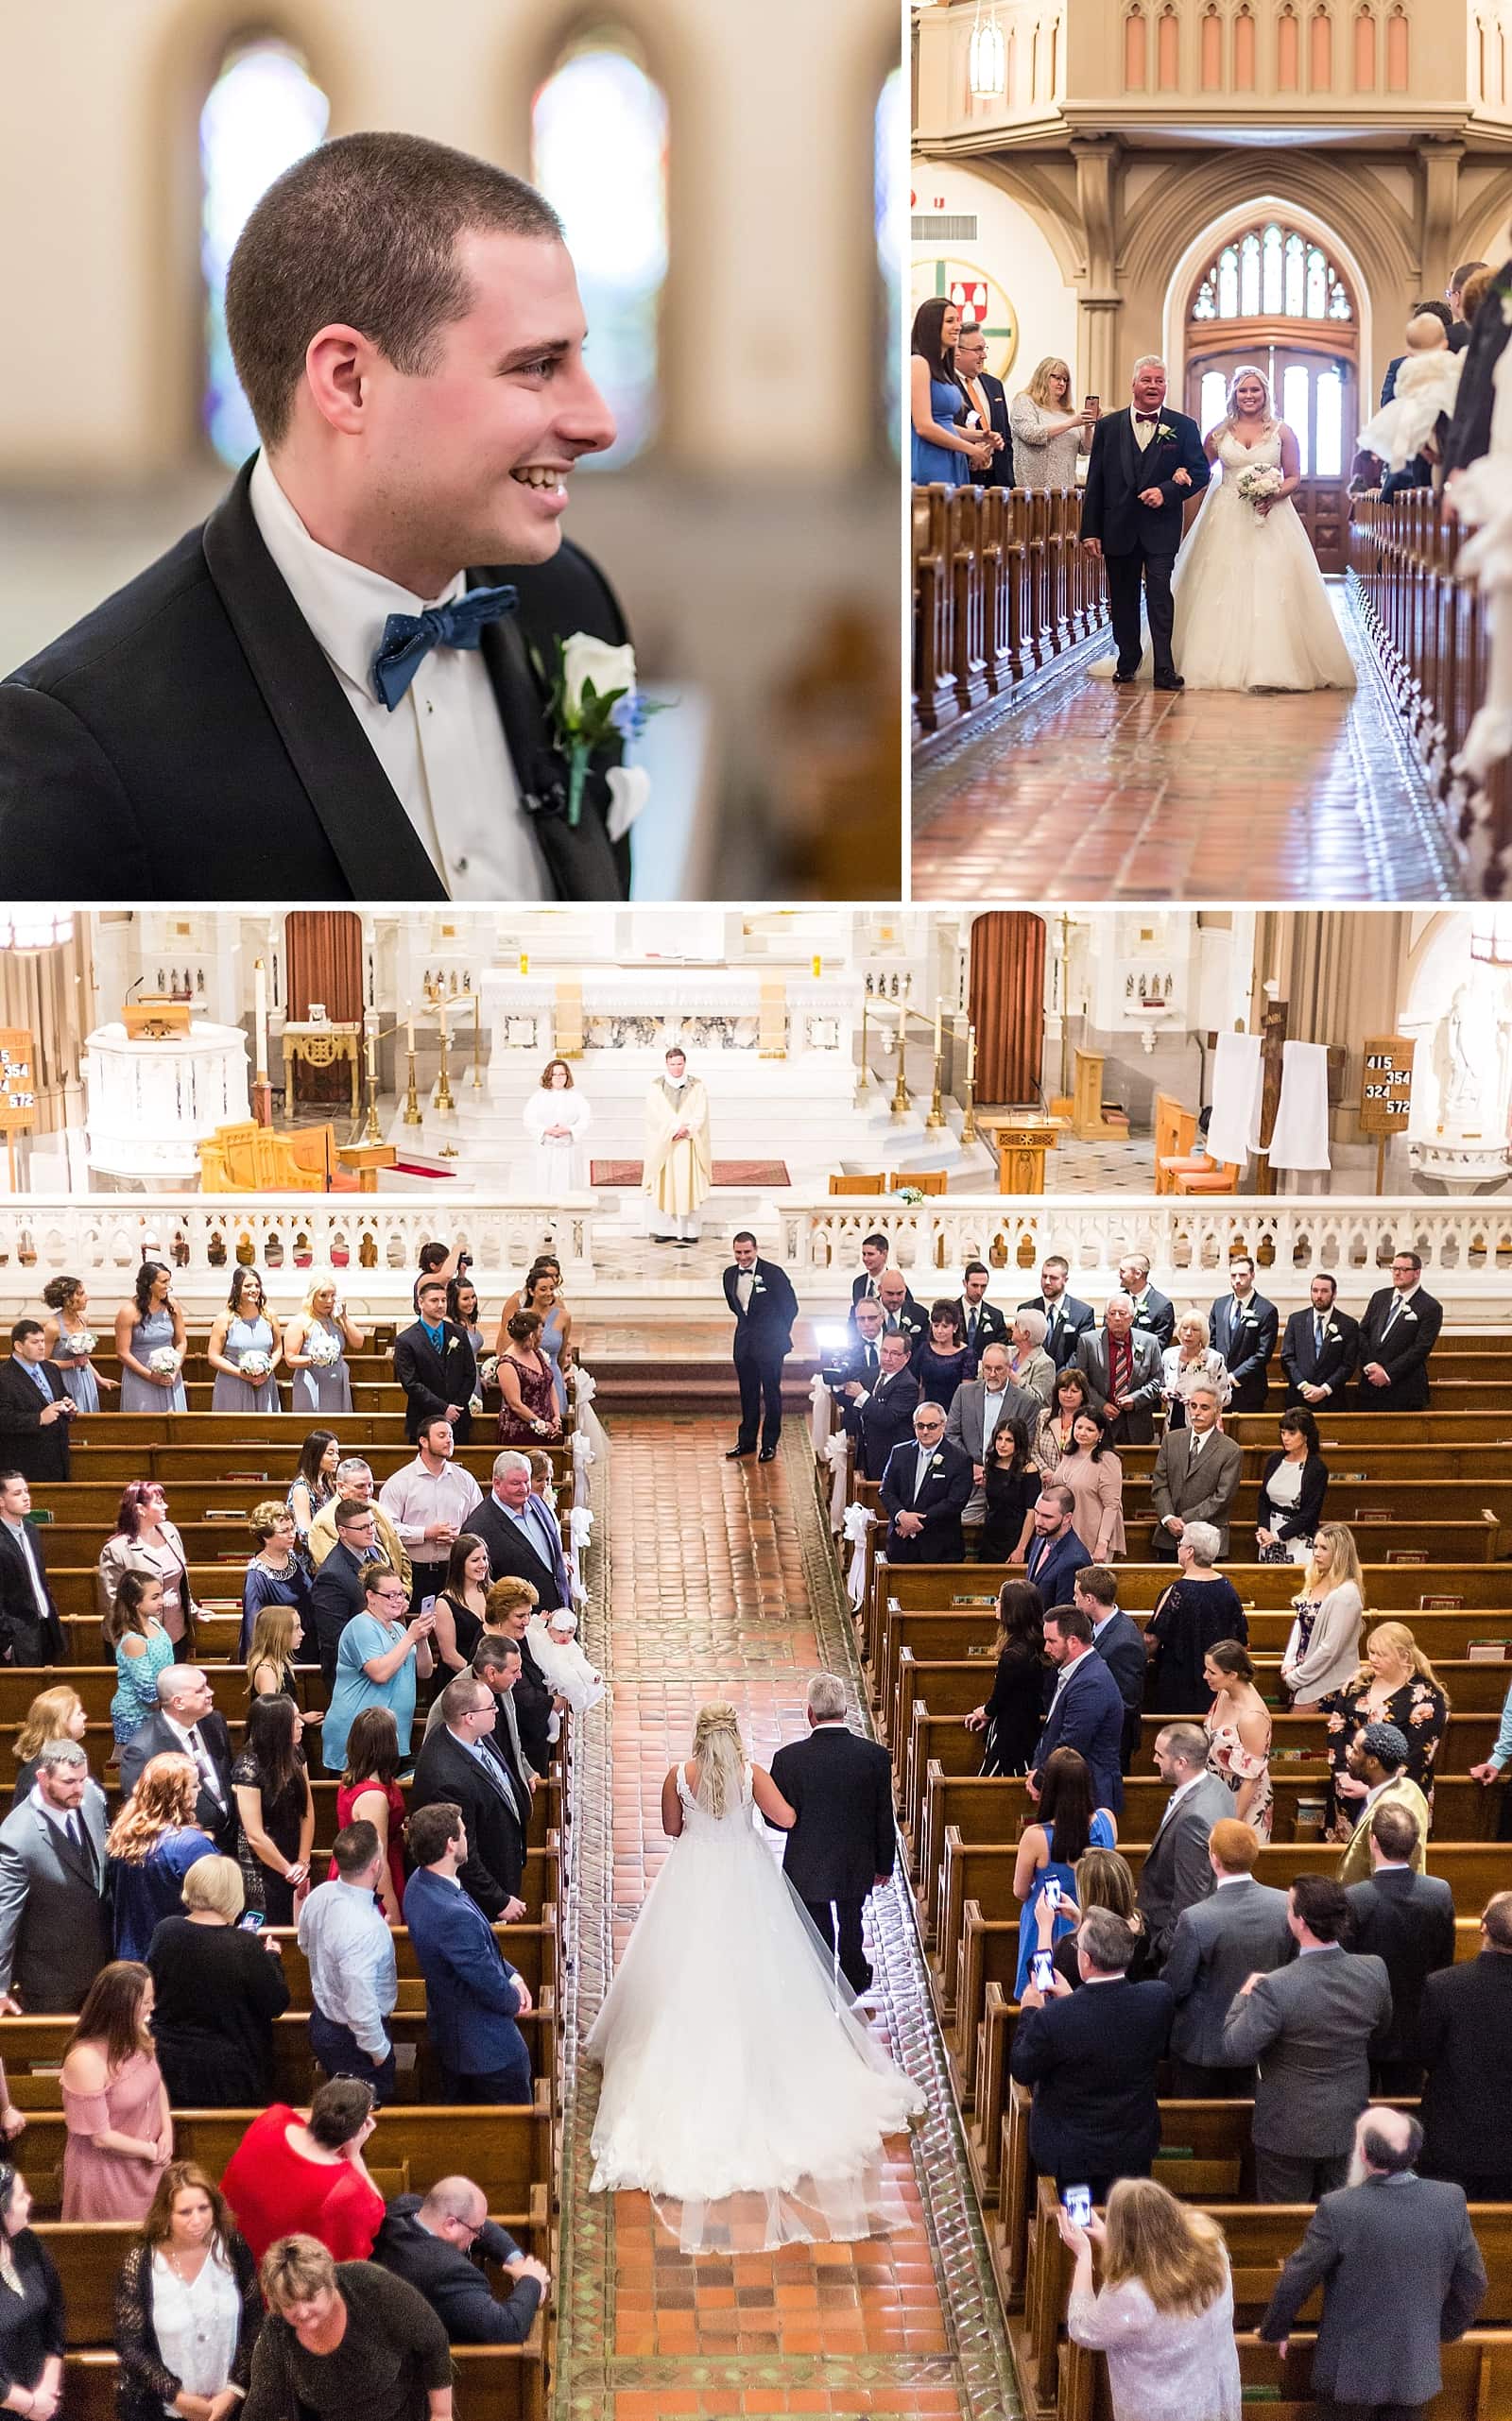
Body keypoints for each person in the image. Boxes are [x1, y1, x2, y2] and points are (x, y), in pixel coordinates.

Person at [0, 130, 636, 906]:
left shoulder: (569, 605)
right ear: (349, 382)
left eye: (579, 358)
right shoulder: (86, 743)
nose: (598, 421)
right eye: (537, 366)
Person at [586, 1702, 924, 2254]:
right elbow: (787, 1820)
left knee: (686, 1967)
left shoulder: (678, 1774)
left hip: (694, 1876)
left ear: (698, 1736)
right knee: (762, 1966)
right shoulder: (752, 1773)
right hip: (746, 1875)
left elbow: (671, 1828)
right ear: (736, 1736)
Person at [1134, 364, 1355, 692]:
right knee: (1219, 581)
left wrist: (1273, 493)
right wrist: (1177, 475)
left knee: (1271, 582)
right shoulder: (1220, 433)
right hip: (1225, 513)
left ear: (1265, 393)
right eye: (1243, 390)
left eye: (1255, 390)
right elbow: (1198, 467)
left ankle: (1273, 666)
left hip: (1273, 517)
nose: (1249, 396)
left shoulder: (1282, 432)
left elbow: (1294, 475)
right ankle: (1207, 662)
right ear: (1234, 395)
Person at [1257, 2108, 1486, 2416]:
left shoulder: (1339, 2207)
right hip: (1414, 2370)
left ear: (1363, 2154)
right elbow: (1473, 2281)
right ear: (1416, 2153)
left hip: (1348, 2377)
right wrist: (1442, 2330)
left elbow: (1299, 2275)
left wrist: (1275, 2330)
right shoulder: (1450, 2200)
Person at [1219, 1873, 1392, 2202]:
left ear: (1300, 1922)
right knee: (1339, 2225)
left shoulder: (1274, 1987)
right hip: (1346, 2122)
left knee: (1285, 2232)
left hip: (1287, 2132)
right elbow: (1381, 2029)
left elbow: (1233, 2048)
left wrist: (1244, 1995)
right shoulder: (1374, 1971)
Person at [1009, 1908, 1175, 2202]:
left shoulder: (1056, 2019)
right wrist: (1072, 1999)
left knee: (1080, 2229)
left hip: (1074, 2157)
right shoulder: (1158, 1998)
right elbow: (1106, 2024)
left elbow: (1022, 2067)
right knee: (1125, 2226)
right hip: (1131, 2147)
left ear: (1085, 1959)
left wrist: (1030, 2011)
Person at [1080, 354, 1212, 691]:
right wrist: (1090, 531)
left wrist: (1167, 492)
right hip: (1118, 526)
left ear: (1165, 386)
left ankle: (1164, 667)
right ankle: (1128, 660)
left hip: (1160, 527)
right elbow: (1095, 481)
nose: (1153, 386)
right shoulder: (1108, 427)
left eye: (1159, 381)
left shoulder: (1182, 427)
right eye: (1147, 380)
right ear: (1133, 385)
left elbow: (1199, 472)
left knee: (1159, 595)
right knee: (1122, 598)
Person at [1059, 2177, 1240, 2421]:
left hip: (1163, 2407)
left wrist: (1084, 2255)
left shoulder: (1131, 2294)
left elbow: (1083, 2328)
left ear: (1124, 2237)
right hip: (1210, 2390)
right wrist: (1109, 2241)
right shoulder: (1212, 2248)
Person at [767, 1674, 896, 1997]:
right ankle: (853, 1976)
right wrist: (885, 1864)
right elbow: (884, 1816)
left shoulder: (788, 1760)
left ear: (810, 1713)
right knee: (852, 1921)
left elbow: (776, 1822)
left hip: (807, 1864)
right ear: (845, 1709)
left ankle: (820, 1984)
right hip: (856, 1862)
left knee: (817, 1927)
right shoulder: (874, 1757)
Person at [401, 1801, 533, 2103]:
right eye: (463, 1833)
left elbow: (478, 1952)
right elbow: (485, 1980)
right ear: (450, 1845)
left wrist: (513, 1975)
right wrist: (513, 1998)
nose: (467, 1838)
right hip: (485, 2050)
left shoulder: (420, 1883)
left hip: (454, 2033)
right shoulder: (451, 1915)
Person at [241, 2237, 452, 2421]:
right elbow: (261, 2406)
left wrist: (441, 2414)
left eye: (309, 2298)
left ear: (330, 2283)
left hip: (404, 2410)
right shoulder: (277, 2331)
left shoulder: (369, 2285)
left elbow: (432, 2339)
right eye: (289, 2304)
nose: (302, 2312)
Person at [114, 2161, 263, 2421]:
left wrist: (232, 2392)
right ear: (165, 2215)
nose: (197, 2220)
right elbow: (131, 2346)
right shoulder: (141, 2262)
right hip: (165, 2409)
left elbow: (255, 2322)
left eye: (203, 2208)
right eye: (185, 2212)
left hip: (230, 2404)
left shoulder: (233, 2246)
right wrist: (178, 2398)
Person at [146, 1854, 291, 2107]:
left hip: (170, 2067)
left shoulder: (166, 1931)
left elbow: (154, 1988)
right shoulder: (244, 1945)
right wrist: (272, 1959)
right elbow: (276, 2003)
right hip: (230, 2074)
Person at [1162, 1817, 1293, 2096]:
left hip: (1203, 2051)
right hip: (1262, 2040)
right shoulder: (1284, 1906)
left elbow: (1176, 1985)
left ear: (1214, 1859)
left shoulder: (1196, 1918)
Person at [1346, 1802, 1455, 2095]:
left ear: (1373, 1841)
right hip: (1415, 2026)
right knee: (1403, 2116)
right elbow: (1444, 1963)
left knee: (1360, 2115)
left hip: (1364, 2027)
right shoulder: (1439, 1893)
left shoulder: (1356, 1899)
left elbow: (1345, 1969)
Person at [0, 1738, 111, 2013]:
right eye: (68, 1782)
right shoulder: (16, 1837)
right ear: (41, 1776)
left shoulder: (90, 1803)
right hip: (51, 1979)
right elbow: (5, 1915)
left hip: (102, 1966)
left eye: (83, 1779)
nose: (79, 1790)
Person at [219, 2083, 385, 2264]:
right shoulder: (346, 2187)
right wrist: (354, 2155)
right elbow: (376, 2212)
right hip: (277, 2276)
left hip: (229, 2250)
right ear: (358, 2130)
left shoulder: (272, 2118)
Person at [374, 2176, 549, 2344]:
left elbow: (481, 2226)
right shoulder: (446, 2273)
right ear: (450, 2225)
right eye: (475, 2231)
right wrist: (531, 2280)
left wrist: (516, 2262)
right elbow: (508, 2330)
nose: (478, 2235)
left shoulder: (405, 2208)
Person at [60, 1960, 171, 2221]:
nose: (152, 2008)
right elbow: (100, 2137)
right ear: (123, 2007)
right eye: (146, 2001)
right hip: (107, 2174)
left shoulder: (139, 2032)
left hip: (148, 2163)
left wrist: (166, 2130)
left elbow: (157, 2083)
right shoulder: (85, 2060)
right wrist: (149, 2151)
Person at [1418, 1888, 1512, 2199]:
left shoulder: (1443, 1985)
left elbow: (1425, 2054)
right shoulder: (1443, 1986)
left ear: (1482, 1926)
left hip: (1452, 2138)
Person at [409, 1674, 527, 1921]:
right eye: (491, 1706)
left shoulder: (475, 1734)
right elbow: (465, 1855)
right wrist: (498, 1900)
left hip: (506, 1860)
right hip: (484, 1895)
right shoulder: (449, 1780)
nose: (496, 1710)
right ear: (469, 1718)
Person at [298, 1824, 400, 2101]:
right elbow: (360, 2004)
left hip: (324, 2022)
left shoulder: (320, 1895)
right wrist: (378, 2050)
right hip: (354, 2042)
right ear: (375, 1866)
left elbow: (304, 1945)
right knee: (363, 2117)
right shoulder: (367, 1928)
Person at [1012, 1745, 1116, 1997]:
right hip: (1092, 1916)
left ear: (1050, 1790)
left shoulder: (1036, 1837)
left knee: (1042, 1990)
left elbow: (1020, 1891)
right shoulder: (1107, 1820)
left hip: (1046, 1923)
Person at [1323, 1619, 1451, 1813]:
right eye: (1372, 1652)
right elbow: (1337, 1727)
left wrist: (1372, 1790)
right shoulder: (1358, 1682)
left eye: (1381, 1655)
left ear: (1404, 1656)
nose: (1373, 1659)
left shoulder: (1427, 1698)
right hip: (1348, 1788)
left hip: (1395, 1798)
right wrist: (1341, 1773)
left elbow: (1418, 1757)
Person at [321, 1566, 433, 1777]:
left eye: (401, 1594)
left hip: (391, 1735)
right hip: (360, 1735)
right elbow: (380, 1673)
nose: (398, 1600)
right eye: (390, 1595)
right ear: (370, 1596)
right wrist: (410, 1637)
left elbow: (424, 1671)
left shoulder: (399, 1629)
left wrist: (422, 1639)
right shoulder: (361, 1626)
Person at [1134, 1723, 1232, 1960]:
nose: (1154, 1759)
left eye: (1160, 1755)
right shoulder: (1217, 1786)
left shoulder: (1194, 1818)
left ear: (1181, 1763)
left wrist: (1163, 1946)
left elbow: (1190, 1897)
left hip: (1168, 1934)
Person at [106, 1754, 215, 1964]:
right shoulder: (191, 1845)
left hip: (130, 1960)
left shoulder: (122, 1838)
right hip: (178, 1960)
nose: (199, 1790)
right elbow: (221, 1903)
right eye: (193, 1786)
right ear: (176, 1795)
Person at [119, 1668, 235, 1853]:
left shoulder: (214, 1721)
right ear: (178, 1702)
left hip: (229, 1844)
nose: (210, 1693)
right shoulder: (143, 1749)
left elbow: (226, 1774)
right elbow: (145, 1814)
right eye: (200, 1690)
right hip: (183, 1851)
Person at [378, 1416, 482, 1609]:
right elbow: (387, 1529)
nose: (449, 1440)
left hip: (456, 1570)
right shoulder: (400, 1482)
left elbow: (479, 1523)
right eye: (442, 1435)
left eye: (450, 1435)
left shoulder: (465, 1480)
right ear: (423, 1441)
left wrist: (460, 1537)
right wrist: (426, 1533)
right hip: (417, 1571)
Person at [1031, 1605, 1126, 1813]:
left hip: (1088, 1797)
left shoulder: (1091, 1682)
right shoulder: (1074, 1672)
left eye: (1051, 1641)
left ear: (1073, 1641)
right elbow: (1051, 1730)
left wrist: (1040, 1778)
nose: (1046, 1648)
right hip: (1068, 1790)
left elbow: (1072, 1742)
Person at [1145, 1525, 1247, 1715]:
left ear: (1190, 1551)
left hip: (1177, 1681)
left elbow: (1152, 1639)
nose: (1178, 1548)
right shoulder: (1228, 1590)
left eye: (1180, 1544)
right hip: (1217, 1681)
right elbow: (1240, 1641)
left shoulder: (1176, 1592)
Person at [232, 1694, 315, 1926]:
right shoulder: (248, 1767)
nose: (301, 1723)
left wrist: (303, 1861)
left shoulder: (296, 1752)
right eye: (294, 1719)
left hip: (294, 1851)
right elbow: (255, 1835)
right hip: (263, 1862)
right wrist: (288, 1870)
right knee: (266, 1921)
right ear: (275, 1726)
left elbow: (306, 1810)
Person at [944, 1342, 1039, 1538]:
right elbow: (951, 1434)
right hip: (970, 1477)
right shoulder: (964, 1393)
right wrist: (970, 1465)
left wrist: (995, 1469)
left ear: (1010, 1368)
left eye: (999, 1369)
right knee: (965, 1533)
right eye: (988, 1368)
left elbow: (1025, 1443)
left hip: (1007, 1483)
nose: (993, 1374)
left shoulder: (1026, 1402)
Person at [723, 1231, 799, 1463]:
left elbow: (790, 1307)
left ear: (756, 1250)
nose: (743, 1257)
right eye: (738, 1252)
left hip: (771, 1345)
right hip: (744, 1345)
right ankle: (746, 1441)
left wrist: (776, 1333)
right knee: (748, 1393)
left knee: (771, 1393)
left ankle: (769, 1443)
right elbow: (735, 1307)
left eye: (747, 1252)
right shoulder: (728, 1275)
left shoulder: (773, 1274)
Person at [332, 1707, 407, 1926]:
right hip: (372, 1880)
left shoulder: (357, 1776)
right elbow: (376, 1859)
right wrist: (391, 1906)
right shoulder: (373, 1796)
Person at [0, 2165, 64, 2421]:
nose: (30, 2199)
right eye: (20, 2196)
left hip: (43, 2403)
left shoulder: (28, 2242)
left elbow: (55, 2314)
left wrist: (46, 2390)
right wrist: (27, 2405)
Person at [99, 1482, 198, 1649]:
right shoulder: (116, 1550)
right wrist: (129, 1648)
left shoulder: (170, 1532)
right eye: (158, 1502)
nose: (166, 1505)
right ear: (140, 1509)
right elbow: (113, 1604)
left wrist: (192, 1609)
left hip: (176, 1635)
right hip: (140, 1642)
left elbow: (179, 1582)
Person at [964, 1581, 1047, 1777]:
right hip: (1023, 1728)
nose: (996, 1603)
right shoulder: (1030, 1646)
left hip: (1011, 1737)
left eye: (1000, 1600)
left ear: (1013, 1609)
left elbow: (1001, 1696)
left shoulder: (1014, 1657)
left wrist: (985, 1711)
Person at [1148, 1387, 1242, 1561]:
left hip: (1207, 1539)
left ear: (1218, 1411)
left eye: (1204, 1408)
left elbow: (1222, 1498)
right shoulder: (1171, 1439)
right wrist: (1168, 1518)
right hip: (1168, 1537)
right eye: (1193, 1406)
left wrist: (1184, 1520)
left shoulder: (1231, 1450)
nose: (1197, 1412)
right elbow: (1160, 1484)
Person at [472, 1451, 573, 1611]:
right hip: (522, 1623)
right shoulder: (479, 1527)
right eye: (516, 1483)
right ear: (497, 1483)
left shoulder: (537, 1502)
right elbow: (480, 1587)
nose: (524, 1489)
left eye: (526, 1481)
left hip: (562, 1615)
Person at [1335, 1722, 1432, 1884]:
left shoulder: (1387, 1814)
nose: (1349, 1754)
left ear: (1372, 1762)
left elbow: (1388, 1882)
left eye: (1355, 1751)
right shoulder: (1410, 1788)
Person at [1280, 1522, 1366, 1708]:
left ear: (1340, 1553)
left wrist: (1297, 1677)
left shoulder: (1347, 1594)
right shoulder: (1315, 1581)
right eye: (1315, 1547)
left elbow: (1331, 1649)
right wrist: (1289, 1663)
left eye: (1324, 1548)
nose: (1316, 1553)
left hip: (1326, 1684)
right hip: (1302, 1676)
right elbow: (1300, 1625)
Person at [878, 1403, 973, 1564]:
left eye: (932, 1426)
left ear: (943, 1425)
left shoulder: (960, 1459)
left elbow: (955, 1502)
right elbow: (886, 1490)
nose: (925, 1431)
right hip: (901, 1545)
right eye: (920, 1426)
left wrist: (914, 1523)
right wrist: (901, 1516)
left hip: (940, 1548)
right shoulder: (900, 1452)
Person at [1047, 1847, 1154, 1989]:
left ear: (1087, 1894)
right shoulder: (1142, 1924)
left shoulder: (1072, 1948)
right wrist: (1080, 1919)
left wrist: (1045, 1926)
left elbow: (1048, 1986)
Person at [910, 298, 988, 485]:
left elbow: (945, 424)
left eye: (958, 320)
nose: (958, 326)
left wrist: (980, 436)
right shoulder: (918, 363)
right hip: (931, 457)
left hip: (950, 456)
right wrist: (970, 449)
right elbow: (924, 426)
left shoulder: (943, 371)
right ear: (932, 326)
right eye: (950, 321)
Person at [1075, 1568, 1145, 1774]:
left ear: (1090, 1599)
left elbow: (1126, 1703)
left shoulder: (1124, 1642)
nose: (1073, 1599)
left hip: (1110, 1745)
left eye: (1076, 1595)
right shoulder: (1096, 1625)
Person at [1355, 1251, 1443, 1410]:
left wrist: (1387, 1374)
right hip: (1370, 1385)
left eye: (1403, 1269)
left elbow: (1421, 1348)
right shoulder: (1380, 1297)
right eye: (1394, 1268)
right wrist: (1370, 1364)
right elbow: (1362, 1333)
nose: (1396, 1273)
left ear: (1417, 1272)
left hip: (1404, 1389)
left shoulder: (1430, 1307)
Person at [306, 1459, 410, 1593]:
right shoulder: (324, 1521)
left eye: (370, 1485)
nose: (368, 1492)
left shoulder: (376, 1508)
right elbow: (342, 1575)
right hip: (360, 1603)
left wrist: (404, 1593)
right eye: (360, 1486)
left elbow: (400, 1553)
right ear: (341, 1487)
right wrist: (383, 1599)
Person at [1202, 1640, 1273, 1838]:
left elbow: (1251, 1779)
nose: (1205, 1676)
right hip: (1215, 1791)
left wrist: (1231, 1825)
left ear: (1232, 1675)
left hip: (1241, 1801)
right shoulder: (1224, 1692)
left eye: (1212, 1672)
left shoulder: (1252, 1717)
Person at [394, 1279, 476, 1446]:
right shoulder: (406, 1340)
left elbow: (470, 1373)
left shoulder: (458, 1333)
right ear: (421, 1303)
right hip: (424, 1418)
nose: (440, 1305)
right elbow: (411, 1383)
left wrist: (456, 1407)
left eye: (443, 1300)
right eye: (434, 1300)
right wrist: (443, 1409)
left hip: (458, 1418)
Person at [644, 1045, 712, 1246]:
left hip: (688, 1144)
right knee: (665, 1186)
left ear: (684, 1063)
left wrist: (688, 1128)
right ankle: (664, 1229)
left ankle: (689, 1230)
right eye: (672, 1064)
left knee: (686, 1184)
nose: (676, 1068)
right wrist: (674, 1128)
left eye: (679, 1063)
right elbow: (652, 1114)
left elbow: (702, 1112)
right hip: (666, 1144)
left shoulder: (696, 1086)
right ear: (667, 1064)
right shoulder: (656, 1086)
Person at [1074, 1296, 1164, 1446]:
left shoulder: (1150, 1342)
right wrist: (1101, 1405)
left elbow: (1157, 1380)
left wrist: (1136, 1399)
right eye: (1112, 1313)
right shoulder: (1088, 1341)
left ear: (1132, 1318)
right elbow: (1082, 1380)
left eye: (1122, 1314)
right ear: (1106, 1317)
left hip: (1137, 1423)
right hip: (1099, 1422)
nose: (1117, 1318)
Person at [1041, 1410, 1126, 1564]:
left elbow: (1111, 1505)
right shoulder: (1069, 1452)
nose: (1082, 1433)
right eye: (1079, 1427)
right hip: (1065, 1532)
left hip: (1092, 1534)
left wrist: (1102, 1543)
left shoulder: (1107, 1459)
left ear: (1100, 1433)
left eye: (1089, 1429)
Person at [496, 1261, 573, 1421]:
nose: (549, 1293)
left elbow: (561, 1355)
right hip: (525, 1380)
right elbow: (507, 1349)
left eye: (552, 1289)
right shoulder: (521, 1316)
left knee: (556, 1425)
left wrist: (560, 1377)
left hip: (552, 1376)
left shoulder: (564, 1317)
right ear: (531, 1291)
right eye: (543, 1289)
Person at [0, 1475, 63, 1668]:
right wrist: (6, 1643)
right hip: (18, 1638)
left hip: (46, 1629)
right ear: (1, 1501)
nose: (26, 1497)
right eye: (18, 1493)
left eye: (26, 1491)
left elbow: (39, 1580)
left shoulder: (31, 1530)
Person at [842, 1331, 920, 1484]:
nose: (887, 1358)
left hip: (888, 1455)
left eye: (894, 1354)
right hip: (865, 1450)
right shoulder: (871, 1373)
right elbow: (854, 1407)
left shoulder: (908, 1385)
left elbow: (887, 1418)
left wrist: (862, 1395)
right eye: (884, 1351)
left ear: (907, 1357)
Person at [107, 1575, 178, 1746]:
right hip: (135, 1715)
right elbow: (147, 1691)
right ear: (135, 1603)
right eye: (154, 1597)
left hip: (161, 1705)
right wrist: (175, 1709)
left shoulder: (153, 1622)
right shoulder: (134, 1640)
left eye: (161, 1595)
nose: (161, 1601)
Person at [0, 1325, 74, 1485]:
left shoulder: (51, 1368)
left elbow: (62, 1394)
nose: (42, 1346)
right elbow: (3, 1419)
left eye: (43, 1341)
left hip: (58, 1457)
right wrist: (38, 1418)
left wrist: (69, 1405)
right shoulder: (4, 1377)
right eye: (35, 1342)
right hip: (26, 1461)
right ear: (19, 1346)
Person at [1007, 356, 1095, 489]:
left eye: (1065, 380)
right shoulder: (1025, 401)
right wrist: (1071, 423)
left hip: (1065, 489)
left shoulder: (1068, 412)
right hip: (1034, 489)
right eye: (1057, 378)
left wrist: (1088, 427)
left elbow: (1086, 449)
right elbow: (1031, 434)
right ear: (1043, 376)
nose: (1062, 383)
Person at [241, 1504, 314, 1659]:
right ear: (266, 1537)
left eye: (292, 1528)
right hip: (279, 1653)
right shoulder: (257, 1576)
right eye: (284, 1531)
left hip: (306, 1643)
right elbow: (253, 1625)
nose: (292, 1534)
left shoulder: (294, 1558)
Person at [1255, 1407, 1329, 1560]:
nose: (1285, 1438)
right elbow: (1263, 1498)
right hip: (1268, 1537)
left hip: (1299, 1540)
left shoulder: (1316, 1469)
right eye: (1283, 1433)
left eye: (1292, 1433)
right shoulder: (1274, 1460)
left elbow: (1310, 1513)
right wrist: (1263, 1528)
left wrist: (1277, 1535)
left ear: (1306, 1435)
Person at [1207, 1256, 1279, 1413]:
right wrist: (1218, 1376)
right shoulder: (1219, 1305)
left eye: (1242, 1275)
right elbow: (1212, 1344)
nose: (1237, 1280)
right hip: (1218, 1388)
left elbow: (1262, 1354)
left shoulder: (1266, 1310)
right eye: (1233, 1276)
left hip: (1249, 1389)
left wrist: (1233, 1377)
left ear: (1252, 1275)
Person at [284, 1280, 364, 1419]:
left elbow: (358, 1342)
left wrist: (344, 1317)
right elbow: (290, 1359)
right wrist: (315, 1359)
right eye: (323, 1295)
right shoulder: (300, 1322)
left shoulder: (336, 1320)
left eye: (333, 1296)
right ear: (312, 1297)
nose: (329, 1300)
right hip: (311, 1381)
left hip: (337, 1384)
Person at [115, 1264, 187, 1414]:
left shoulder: (172, 1306)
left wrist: (174, 1370)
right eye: (163, 1282)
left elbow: (181, 1342)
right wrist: (151, 1376)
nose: (168, 1286)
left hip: (170, 1375)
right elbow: (123, 1353)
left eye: (169, 1281)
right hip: (141, 1377)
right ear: (148, 1284)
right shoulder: (128, 1312)